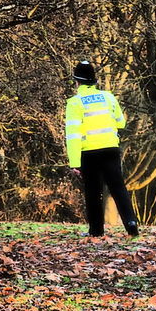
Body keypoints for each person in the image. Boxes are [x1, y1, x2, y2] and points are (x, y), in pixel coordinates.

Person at [65, 60, 139, 238]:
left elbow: (73, 135)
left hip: (89, 153)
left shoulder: (75, 103)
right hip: (110, 149)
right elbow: (121, 122)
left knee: (93, 191)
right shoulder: (108, 97)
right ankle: (131, 224)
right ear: (94, 80)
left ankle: (96, 231)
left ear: (77, 81)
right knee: (118, 188)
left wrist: (75, 162)